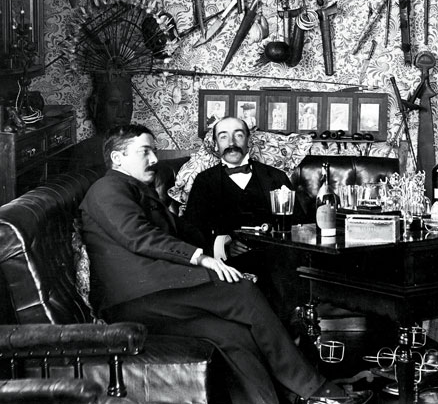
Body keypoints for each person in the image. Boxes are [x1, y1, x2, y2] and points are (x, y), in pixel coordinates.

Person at [79, 124, 370, 404]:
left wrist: (221, 237)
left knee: (233, 335)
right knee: (241, 292)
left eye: (154, 151)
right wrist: (201, 257)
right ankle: (315, 389)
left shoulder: (133, 189)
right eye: (145, 151)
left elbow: (181, 229)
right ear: (118, 158)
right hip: (135, 299)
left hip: (152, 295)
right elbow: (140, 237)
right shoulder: (107, 188)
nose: (155, 159)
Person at [182, 116, 311, 320]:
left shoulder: (275, 177)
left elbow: (299, 226)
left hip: (276, 261)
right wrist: (223, 246)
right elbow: (191, 230)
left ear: (248, 140)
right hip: (227, 263)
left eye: (238, 135)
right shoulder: (204, 181)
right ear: (216, 144)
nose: (231, 143)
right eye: (223, 137)